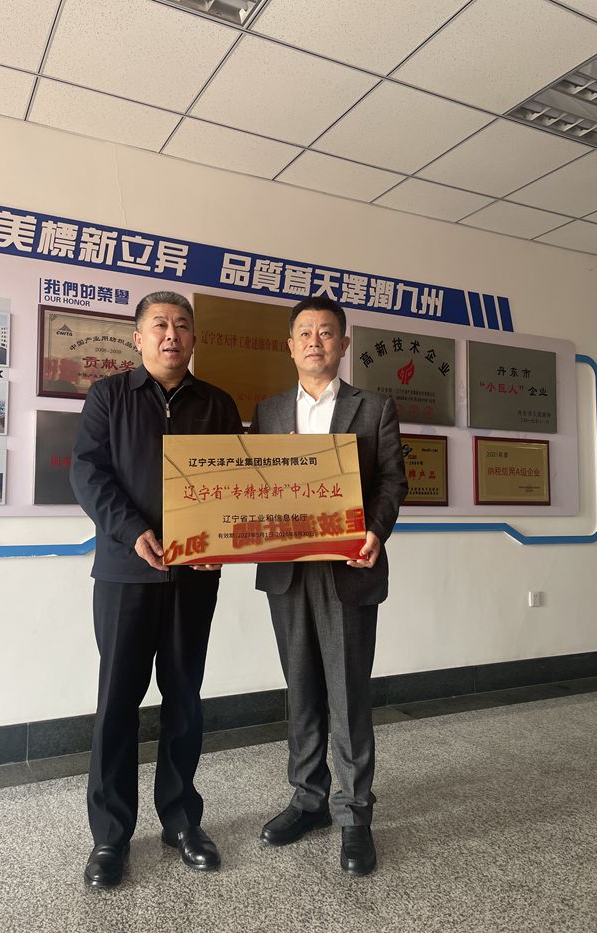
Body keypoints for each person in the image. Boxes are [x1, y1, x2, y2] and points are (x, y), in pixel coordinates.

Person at [71, 291, 242, 887]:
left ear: (194, 338)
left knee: (185, 699)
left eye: (182, 325)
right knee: (117, 703)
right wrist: (133, 530)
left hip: (194, 578)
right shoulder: (109, 396)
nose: (172, 335)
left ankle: (181, 821)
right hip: (126, 573)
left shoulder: (217, 404)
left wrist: (222, 542)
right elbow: (88, 473)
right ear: (138, 337)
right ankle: (110, 836)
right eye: (160, 325)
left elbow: (236, 483)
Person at [250, 295, 407, 876]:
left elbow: (392, 480)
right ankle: (309, 799)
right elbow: (252, 486)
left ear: (343, 343)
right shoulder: (267, 412)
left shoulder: (375, 408)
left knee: (347, 693)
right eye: (304, 333)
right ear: (289, 345)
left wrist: (376, 530)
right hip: (288, 570)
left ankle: (355, 814)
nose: (314, 341)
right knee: (301, 690)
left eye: (325, 332)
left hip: (348, 567)